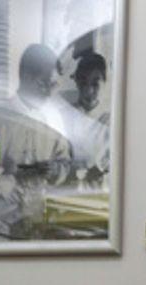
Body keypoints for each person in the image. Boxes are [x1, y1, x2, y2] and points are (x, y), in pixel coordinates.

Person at [0, 44, 72, 239]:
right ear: (25, 76)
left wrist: (56, 170)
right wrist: (5, 174)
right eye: (43, 84)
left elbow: (65, 164)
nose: (49, 93)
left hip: (40, 221)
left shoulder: (55, 120)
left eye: (53, 85)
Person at [58, 51, 111, 187]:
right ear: (76, 82)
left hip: (99, 190)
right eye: (83, 83)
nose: (88, 91)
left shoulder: (111, 121)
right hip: (66, 188)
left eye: (95, 84)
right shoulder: (63, 116)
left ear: (105, 82)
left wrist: (100, 169)